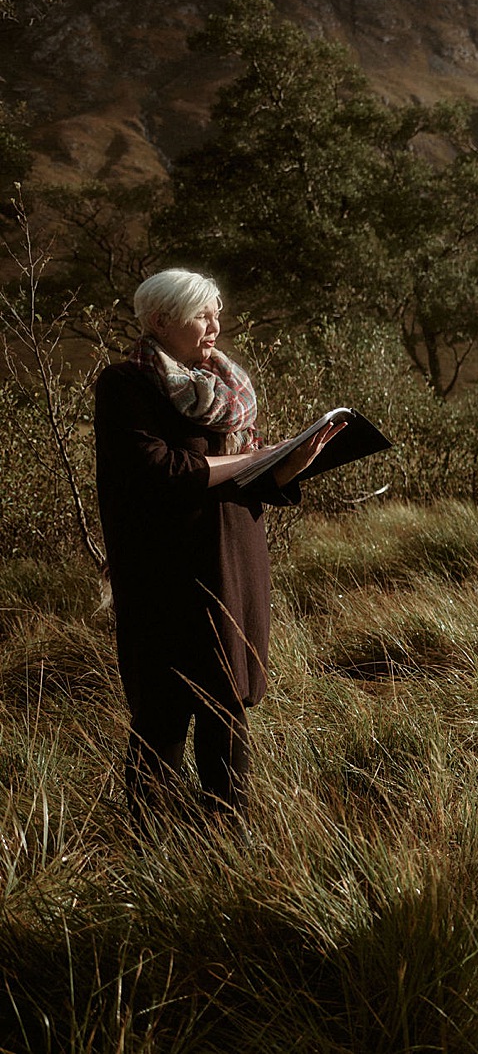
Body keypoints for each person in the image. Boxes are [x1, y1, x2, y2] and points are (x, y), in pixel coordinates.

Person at [95, 269, 342, 822]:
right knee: (162, 712)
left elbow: (243, 477)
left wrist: (290, 462)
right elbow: (161, 471)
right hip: (166, 573)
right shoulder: (125, 385)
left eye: (216, 313)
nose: (215, 326)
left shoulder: (226, 386)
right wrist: (257, 458)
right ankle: (148, 845)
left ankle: (227, 842)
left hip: (233, 563)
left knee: (226, 706)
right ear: (161, 321)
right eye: (202, 314)